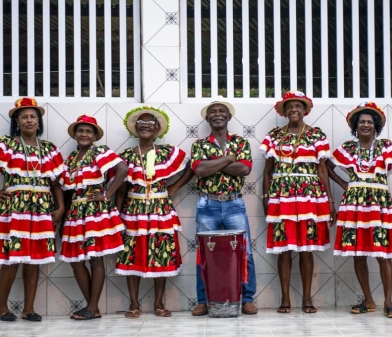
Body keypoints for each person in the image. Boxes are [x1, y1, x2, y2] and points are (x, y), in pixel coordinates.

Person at [0, 97, 64, 321]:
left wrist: (60, 208)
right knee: (11, 258)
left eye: (33, 116)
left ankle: (28, 308)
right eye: (24, 117)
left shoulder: (49, 148)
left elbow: (55, 183)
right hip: (12, 208)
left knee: (34, 259)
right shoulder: (6, 144)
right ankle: (3, 307)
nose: (29, 120)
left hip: (41, 208)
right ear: (17, 121)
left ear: (39, 121)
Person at [327, 102, 392, 318]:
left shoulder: (386, 146)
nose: (365, 125)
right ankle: (369, 300)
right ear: (355, 125)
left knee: (384, 254)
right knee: (358, 254)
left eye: (369, 122)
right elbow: (326, 166)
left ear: (376, 126)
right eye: (361, 122)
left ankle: (389, 303)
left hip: (380, 203)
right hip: (354, 204)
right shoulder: (348, 147)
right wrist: (345, 184)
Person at [261, 91, 335, 314]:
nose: (294, 109)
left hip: (310, 197)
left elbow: (322, 170)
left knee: (306, 249)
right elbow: (267, 172)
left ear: (305, 110)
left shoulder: (316, 136)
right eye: (290, 106)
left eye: (298, 106)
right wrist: (266, 199)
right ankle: (285, 298)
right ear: (284, 112)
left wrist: (330, 201)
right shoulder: (274, 136)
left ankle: (307, 298)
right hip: (282, 197)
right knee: (284, 249)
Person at [114, 106, 192, 318]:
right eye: (141, 123)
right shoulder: (126, 156)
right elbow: (121, 189)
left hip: (161, 211)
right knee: (131, 255)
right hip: (133, 211)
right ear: (135, 129)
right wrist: (118, 218)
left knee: (162, 254)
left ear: (158, 129)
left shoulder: (167, 153)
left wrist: (175, 187)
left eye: (150, 123)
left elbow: (191, 166)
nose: (145, 126)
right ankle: (133, 303)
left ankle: (158, 302)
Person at [190, 97, 258, 316]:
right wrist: (229, 158)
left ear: (228, 117)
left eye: (222, 111)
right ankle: (204, 300)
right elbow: (199, 170)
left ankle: (247, 299)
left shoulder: (241, 142)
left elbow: (245, 170)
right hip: (207, 203)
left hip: (234, 203)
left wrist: (214, 164)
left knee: (244, 253)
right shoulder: (199, 144)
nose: (217, 114)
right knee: (204, 254)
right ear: (207, 118)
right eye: (213, 111)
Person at [59, 115, 128, 320]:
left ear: (95, 135)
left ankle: (92, 306)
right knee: (76, 261)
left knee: (96, 259)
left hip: (95, 212)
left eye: (89, 131)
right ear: (75, 134)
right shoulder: (71, 158)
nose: (84, 134)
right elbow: (67, 189)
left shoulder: (100, 151)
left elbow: (122, 169)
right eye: (80, 131)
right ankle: (92, 306)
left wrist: (107, 193)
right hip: (75, 212)